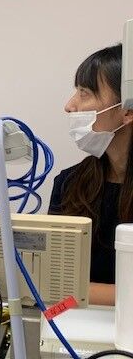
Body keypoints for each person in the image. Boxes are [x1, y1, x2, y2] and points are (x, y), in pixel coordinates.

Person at [49, 44, 133, 306]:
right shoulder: (70, 183)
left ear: (127, 111)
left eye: (84, 93)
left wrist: (73, 294)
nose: (70, 106)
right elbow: (54, 285)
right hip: (77, 318)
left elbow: (63, 290)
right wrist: (49, 318)